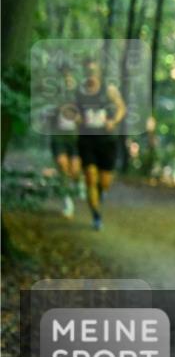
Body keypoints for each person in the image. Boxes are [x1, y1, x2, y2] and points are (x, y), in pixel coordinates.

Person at [75, 57, 127, 230]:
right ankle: (96, 215)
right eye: (88, 71)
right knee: (90, 178)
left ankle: (101, 192)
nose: (91, 74)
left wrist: (114, 121)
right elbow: (71, 112)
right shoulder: (79, 92)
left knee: (104, 182)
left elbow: (121, 108)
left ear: (98, 72)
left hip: (107, 141)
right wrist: (77, 119)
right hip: (87, 140)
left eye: (93, 71)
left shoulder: (109, 90)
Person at [49, 65, 84, 218]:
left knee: (74, 170)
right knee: (63, 167)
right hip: (58, 137)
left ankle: (79, 181)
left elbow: (86, 119)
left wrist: (78, 118)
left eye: (69, 77)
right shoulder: (53, 95)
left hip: (75, 139)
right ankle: (68, 203)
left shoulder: (80, 97)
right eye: (64, 77)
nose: (67, 80)